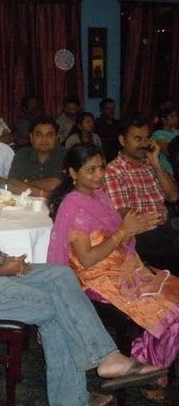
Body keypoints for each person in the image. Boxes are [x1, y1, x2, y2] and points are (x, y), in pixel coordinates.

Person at [0, 125, 165, 406]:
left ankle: (105, 360)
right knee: (55, 308)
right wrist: (2, 271)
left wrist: (3, 258)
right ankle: (76, 395)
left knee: (62, 276)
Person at [48, 143, 179, 403]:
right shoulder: (74, 206)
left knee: (174, 296)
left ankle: (150, 364)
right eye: (91, 170)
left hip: (118, 266)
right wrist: (123, 232)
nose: (99, 175)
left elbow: (114, 234)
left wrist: (130, 225)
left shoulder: (98, 196)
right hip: (97, 278)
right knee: (170, 308)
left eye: (102, 168)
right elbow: (87, 260)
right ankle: (148, 371)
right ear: (73, 173)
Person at [102, 115, 179, 276]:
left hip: (164, 229)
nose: (144, 143)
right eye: (137, 138)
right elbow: (123, 213)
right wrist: (155, 220)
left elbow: (173, 196)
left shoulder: (150, 165)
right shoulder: (114, 170)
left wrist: (156, 163)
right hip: (140, 235)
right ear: (122, 140)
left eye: (146, 138)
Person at [6, 117, 65, 196]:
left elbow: (53, 185)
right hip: (26, 201)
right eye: (39, 135)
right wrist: (44, 194)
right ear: (31, 137)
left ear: (56, 137)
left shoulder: (66, 155)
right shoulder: (22, 154)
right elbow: (12, 185)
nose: (44, 139)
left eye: (49, 135)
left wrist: (25, 182)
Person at [150, 105, 178, 175]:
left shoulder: (177, 132)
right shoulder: (158, 134)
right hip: (167, 168)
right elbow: (168, 152)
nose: (176, 119)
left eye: (176, 116)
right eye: (172, 116)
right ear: (164, 119)